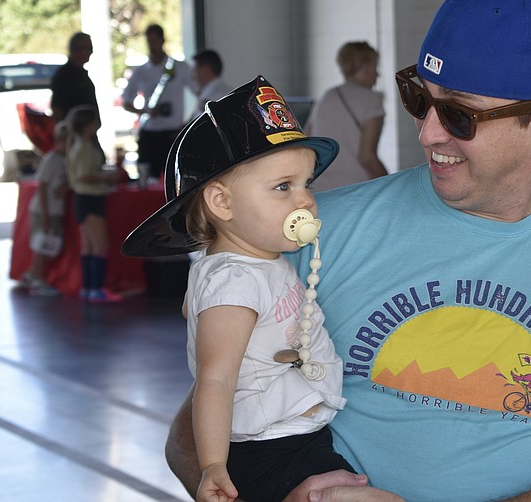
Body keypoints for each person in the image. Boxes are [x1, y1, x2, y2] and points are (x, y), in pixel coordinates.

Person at [165, 0, 531, 502]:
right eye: (419, 98)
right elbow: (197, 428)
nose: (428, 132)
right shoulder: (311, 232)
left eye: (459, 114)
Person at [122, 76, 373, 502]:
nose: (307, 201)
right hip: (268, 450)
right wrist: (214, 466)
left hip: (296, 438)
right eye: (283, 187)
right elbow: (216, 379)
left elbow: (197, 310)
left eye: (306, 184)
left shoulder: (249, 262)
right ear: (222, 203)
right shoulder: (235, 279)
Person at [306, 41, 388, 191]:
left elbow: (307, 143)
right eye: (375, 67)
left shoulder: (326, 97)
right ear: (364, 67)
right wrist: (391, 186)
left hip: (319, 192)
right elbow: (367, 158)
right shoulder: (371, 100)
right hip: (355, 192)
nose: (377, 74)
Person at [66, 106, 122, 303]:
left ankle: (88, 287)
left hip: (83, 199)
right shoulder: (84, 148)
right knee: (100, 245)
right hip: (90, 198)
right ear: (87, 125)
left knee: (88, 247)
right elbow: (84, 175)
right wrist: (106, 177)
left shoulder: (79, 145)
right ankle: (97, 287)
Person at [122, 23, 192, 182]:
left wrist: (187, 123)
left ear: (162, 40)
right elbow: (126, 101)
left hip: (173, 131)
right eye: (149, 41)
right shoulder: (140, 71)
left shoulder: (179, 68)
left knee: (174, 179)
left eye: (155, 40)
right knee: (149, 178)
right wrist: (146, 112)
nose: (152, 45)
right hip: (149, 132)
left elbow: (200, 94)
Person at [20, 122, 70, 297]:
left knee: (50, 245)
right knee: (43, 245)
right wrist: (46, 215)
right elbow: (42, 188)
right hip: (45, 210)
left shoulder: (64, 160)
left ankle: (33, 274)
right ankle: (36, 277)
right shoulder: (52, 160)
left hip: (54, 209)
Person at [51, 32, 99, 123]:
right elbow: (57, 108)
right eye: (86, 49)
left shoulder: (80, 74)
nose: (90, 52)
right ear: (74, 50)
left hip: (85, 132)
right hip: (74, 131)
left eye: (90, 48)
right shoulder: (64, 76)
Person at [191, 49, 232, 115]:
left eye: (195, 70)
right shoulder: (222, 90)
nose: (193, 76)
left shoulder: (212, 96)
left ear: (205, 70)